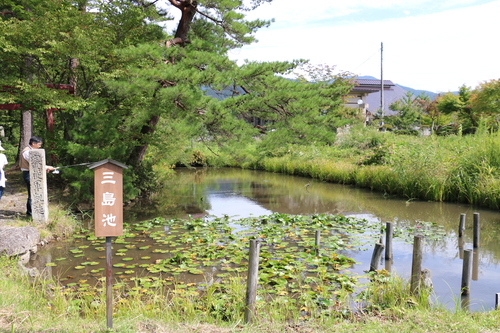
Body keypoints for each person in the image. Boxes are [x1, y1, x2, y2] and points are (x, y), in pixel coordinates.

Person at [20, 136, 55, 216]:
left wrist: (44, 168)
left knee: (34, 193)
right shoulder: (27, 152)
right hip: (28, 174)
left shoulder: (31, 151)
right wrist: (47, 167)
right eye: (39, 144)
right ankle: (30, 213)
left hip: (31, 173)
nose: (40, 146)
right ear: (33, 143)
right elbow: (35, 163)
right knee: (33, 193)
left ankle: (33, 212)